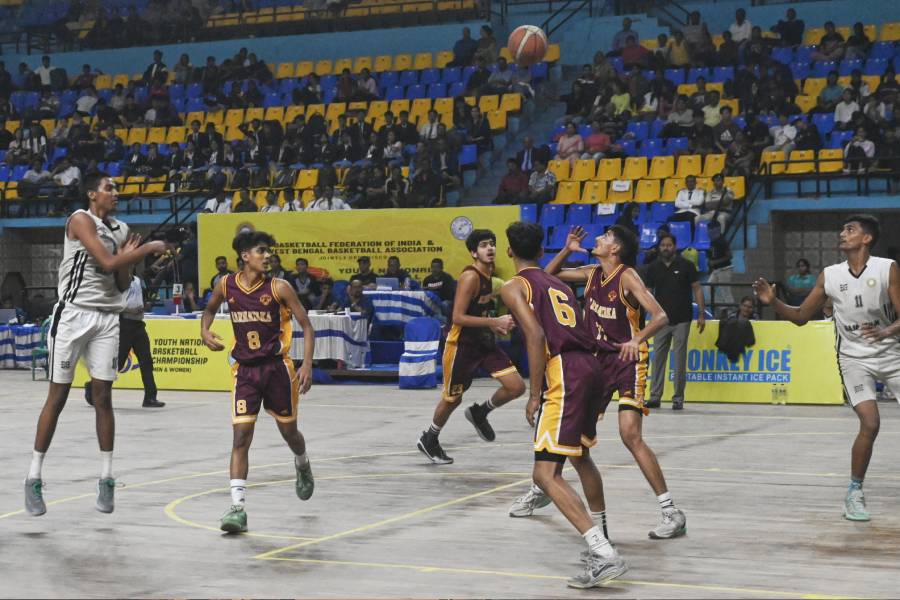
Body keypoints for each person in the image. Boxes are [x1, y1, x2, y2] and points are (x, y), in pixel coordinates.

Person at [510, 225, 686, 540]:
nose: (599, 239)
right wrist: (566, 250)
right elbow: (543, 278)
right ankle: (545, 486)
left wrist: (637, 339)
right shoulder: (591, 273)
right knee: (574, 438)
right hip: (595, 362)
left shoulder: (627, 276)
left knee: (630, 434)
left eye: (605, 237)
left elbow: (660, 316)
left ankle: (671, 511)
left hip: (627, 360)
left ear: (615, 249)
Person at [24, 173, 169, 516]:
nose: (115, 192)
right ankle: (33, 476)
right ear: (92, 194)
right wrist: (146, 249)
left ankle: (106, 478)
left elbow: (121, 282)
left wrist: (130, 259)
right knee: (58, 396)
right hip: (73, 315)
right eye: (109, 188)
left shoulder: (121, 229)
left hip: (107, 318)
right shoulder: (80, 220)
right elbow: (106, 262)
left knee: (103, 397)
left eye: (116, 188)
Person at [499, 221, 627, 588]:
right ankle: (602, 536)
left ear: (510, 252)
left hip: (565, 371)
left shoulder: (513, 286)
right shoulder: (558, 283)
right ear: (542, 251)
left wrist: (534, 393)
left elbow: (536, 335)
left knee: (544, 474)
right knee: (579, 455)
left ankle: (603, 553)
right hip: (591, 367)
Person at [753, 215, 900, 522]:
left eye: (850, 230)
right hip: (853, 359)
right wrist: (773, 302)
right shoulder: (830, 275)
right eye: (843, 229)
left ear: (866, 238)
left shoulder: (887, 268)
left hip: (892, 354)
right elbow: (800, 317)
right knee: (870, 423)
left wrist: (886, 332)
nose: (842, 233)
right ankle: (854, 492)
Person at [200, 230, 316, 533]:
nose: (268, 256)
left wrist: (306, 364)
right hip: (245, 371)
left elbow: (306, 325)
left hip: (277, 369)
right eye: (261, 251)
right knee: (241, 437)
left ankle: (302, 462)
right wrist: (204, 331)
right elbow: (209, 309)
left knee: (289, 432)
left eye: (268, 252)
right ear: (245, 256)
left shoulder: (280, 288)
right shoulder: (226, 284)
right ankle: (237, 508)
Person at [417, 230, 524, 464]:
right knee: (453, 399)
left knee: (516, 386)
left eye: (492, 244)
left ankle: (480, 412)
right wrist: (493, 322)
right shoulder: (470, 276)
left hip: (483, 342)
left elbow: (479, 312)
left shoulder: (489, 276)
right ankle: (430, 438)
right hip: (461, 345)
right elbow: (457, 317)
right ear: (474, 252)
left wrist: (494, 325)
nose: (490, 248)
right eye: (484, 245)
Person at [641, 233, 706, 410]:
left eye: (669, 245)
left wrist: (701, 314)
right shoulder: (653, 267)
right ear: (659, 248)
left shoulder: (687, 265)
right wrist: (646, 315)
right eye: (663, 245)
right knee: (658, 360)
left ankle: (678, 398)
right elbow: (647, 293)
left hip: (682, 319)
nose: (666, 248)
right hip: (660, 321)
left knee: (679, 360)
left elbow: (697, 289)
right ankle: (655, 396)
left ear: (675, 247)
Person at [85, 275, 163, 408]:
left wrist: (144, 306)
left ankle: (150, 396)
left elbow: (141, 297)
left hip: (138, 325)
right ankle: (92, 387)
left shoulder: (138, 280)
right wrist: (129, 310)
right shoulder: (118, 281)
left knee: (146, 361)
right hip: (124, 325)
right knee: (118, 363)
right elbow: (110, 304)